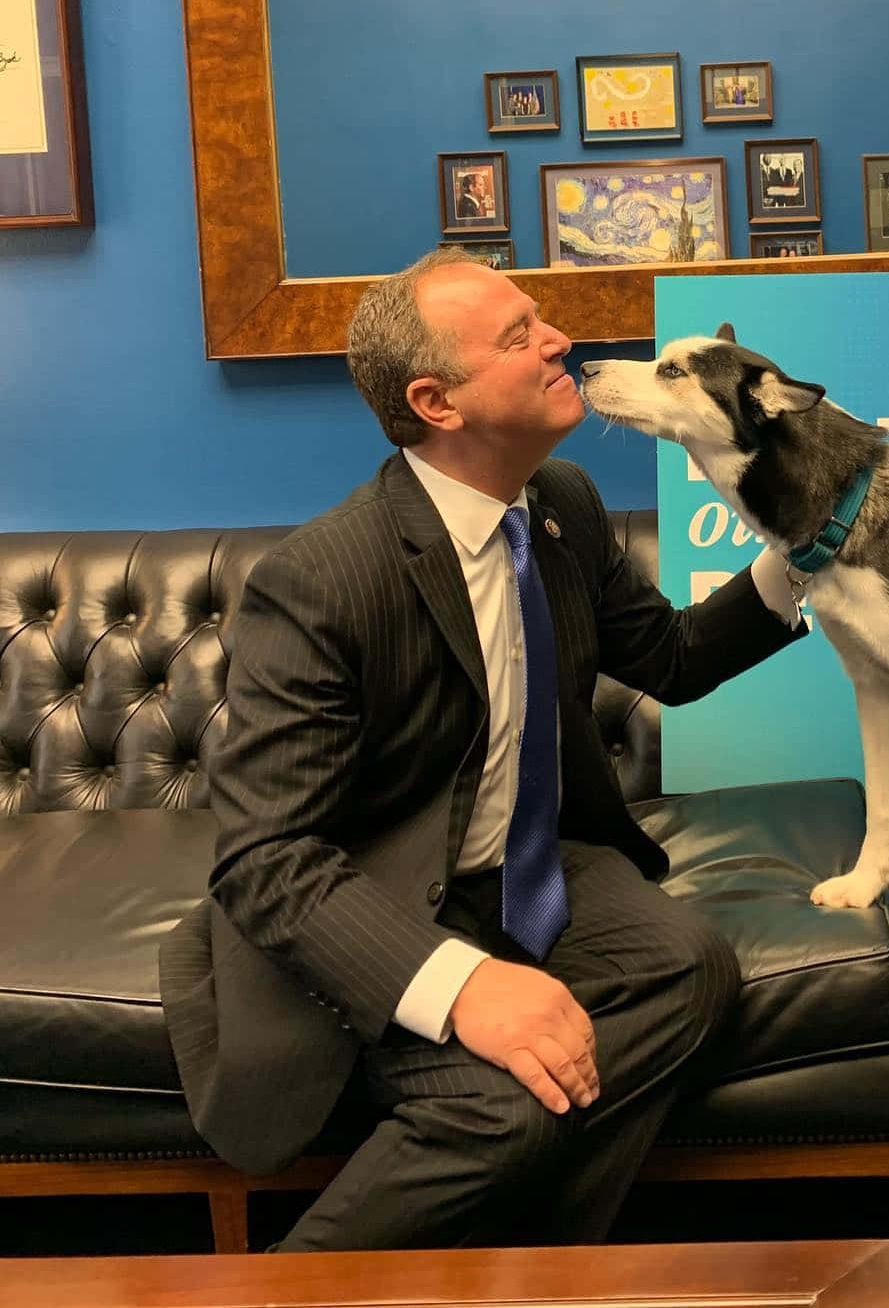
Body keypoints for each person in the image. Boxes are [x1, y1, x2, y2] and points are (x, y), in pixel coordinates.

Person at [161, 247, 807, 1251]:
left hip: (532, 868)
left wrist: (807, 548)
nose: (561, 342)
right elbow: (268, 859)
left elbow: (671, 659)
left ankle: (534, 1273)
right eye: (520, 337)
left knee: (689, 970)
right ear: (438, 401)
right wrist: (463, 986)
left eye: (540, 321)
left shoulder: (565, 505)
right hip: (379, 890)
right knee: (499, 1110)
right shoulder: (322, 580)